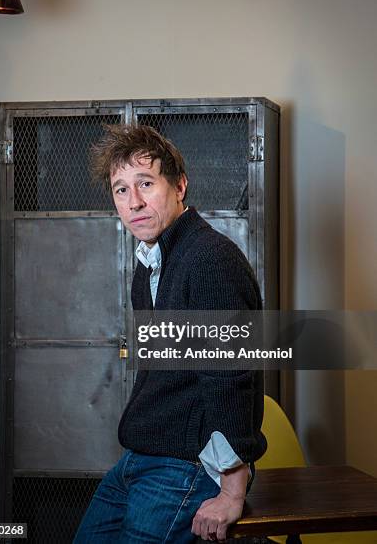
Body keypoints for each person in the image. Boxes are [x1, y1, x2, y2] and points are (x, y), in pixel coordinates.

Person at [73, 125, 266, 543]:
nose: (134, 202)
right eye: (120, 190)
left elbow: (233, 375)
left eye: (146, 183)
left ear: (180, 185)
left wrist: (232, 490)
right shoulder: (150, 263)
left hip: (184, 466)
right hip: (139, 457)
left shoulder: (210, 260)